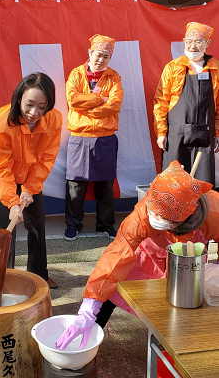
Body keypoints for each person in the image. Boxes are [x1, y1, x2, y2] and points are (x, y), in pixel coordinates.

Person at [56, 160, 219, 349]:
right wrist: (88, 308)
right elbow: (117, 255)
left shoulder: (214, 214)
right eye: (153, 213)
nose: (153, 219)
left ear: (179, 221)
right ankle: (90, 328)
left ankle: (170, 347)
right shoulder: (146, 212)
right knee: (114, 282)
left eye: (161, 218)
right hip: (150, 250)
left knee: (182, 301)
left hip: (187, 260)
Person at [0, 72, 62, 289]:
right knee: (7, 226)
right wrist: (12, 202)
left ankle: (39, 276)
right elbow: (1, 169)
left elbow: (46, 159)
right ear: (19, 99)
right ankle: (2, 282)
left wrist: (29, 189)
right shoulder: (1, 123)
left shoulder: (55, 119)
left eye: (42, 106)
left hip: (30, 174)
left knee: (37, 223)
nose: (35, 113)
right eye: (29, 105)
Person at [64, 34, 123, 241]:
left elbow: (115, 105)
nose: (101, 60)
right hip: (79, 136)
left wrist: (87, 109)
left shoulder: (114, 77)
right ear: (90, 53)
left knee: (105, 185)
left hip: (105, 137)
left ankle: (106, 225)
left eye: (106, 57)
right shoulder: (76, 74)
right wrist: (99, 99)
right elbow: (72, 99)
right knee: (75, 185)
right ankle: (73, 225)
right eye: (98, 55)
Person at [153, 22, 219, 186]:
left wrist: (217, 133)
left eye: (198, 42)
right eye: (189, 41)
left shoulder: (215, 68)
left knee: (202, 183)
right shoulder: (173, 67)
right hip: (177, 133)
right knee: (175, 180)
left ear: (207, 44)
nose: (193, 46)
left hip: (206, 134)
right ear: (184, 41)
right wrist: (161, 132)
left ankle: (201, 212)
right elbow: (161, 101)